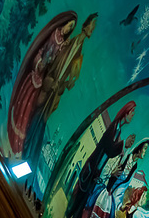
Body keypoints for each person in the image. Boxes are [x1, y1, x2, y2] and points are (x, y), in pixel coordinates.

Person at [24, 13, 97, 164]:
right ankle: (26, 147)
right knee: (36, 114)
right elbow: (55, 61)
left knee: (42, 121)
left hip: (55, 91)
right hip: (50, 84)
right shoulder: (70, 43)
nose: (93, 29)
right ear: (85, 25)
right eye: (92, 25)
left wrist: (66, 84)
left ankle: (31, 154)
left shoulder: (78, 51)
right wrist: (52, 80)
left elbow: (71, 76)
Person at [7, 11, 77, 157]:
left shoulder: (63, 44)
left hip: (42, 80)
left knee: (29, 110)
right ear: (64, 23)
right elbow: (42, 50)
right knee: (24, 104)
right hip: (36, 74)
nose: (68, 29)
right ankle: (12, 137)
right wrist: (40, 63)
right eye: (69, 25)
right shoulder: (54, 34)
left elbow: (57, 62)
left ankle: (19, 144)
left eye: (71, 28)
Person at [65, 101, 136, 218]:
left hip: (96, 172)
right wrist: (123, 144)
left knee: (83, 200)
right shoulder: (113, 128)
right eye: (132, 112)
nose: (133, 116)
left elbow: (110, 152)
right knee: (80, 198)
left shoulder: (117, 130)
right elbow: (109, 149)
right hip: (92, 170)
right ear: (126, 112)